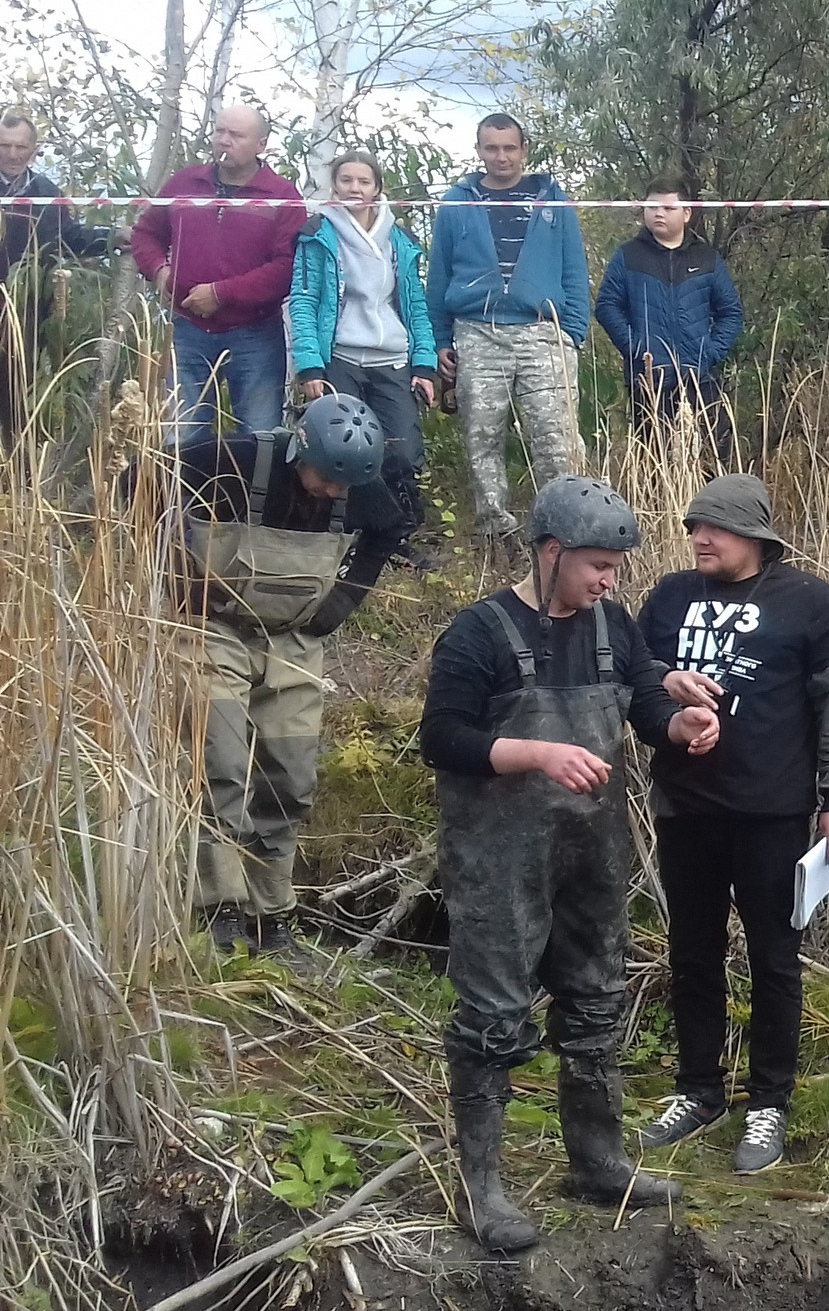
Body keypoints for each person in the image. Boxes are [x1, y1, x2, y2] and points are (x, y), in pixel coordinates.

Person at [419, 476, 718, 1251]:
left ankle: (598, 1160)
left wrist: (679, 723)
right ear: (551, 553)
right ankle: (482, 1188)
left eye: (616, 566)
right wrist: (539, 753)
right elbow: (442, 738)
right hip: (497, 857)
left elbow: (646, 703)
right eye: (598, 565)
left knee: (594, 1000)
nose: (610, 580)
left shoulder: (614, 625)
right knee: (491, 1015)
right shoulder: (477, 633)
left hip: (592, 849)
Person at [634, 474, 829, 1173]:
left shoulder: (805, 601)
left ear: (756, 538)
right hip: (686, 807)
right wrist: (667, 706)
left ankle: (768, 1102)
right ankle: (698, 1090)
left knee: (773, 958)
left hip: (772, 810)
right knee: (692, 953)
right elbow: (632, 679)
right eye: (695, 527)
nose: (700, 538)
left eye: (717, 528)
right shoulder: (670, 597)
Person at [178, 394, 407, 961]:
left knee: (291, 777)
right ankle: (218, 911)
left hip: (294, 639)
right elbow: (137, 482)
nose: (336, 494)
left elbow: (389, 531)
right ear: (299, 451)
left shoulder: (359, 483)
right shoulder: (228, 457)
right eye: (327, 480)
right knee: (220, 763)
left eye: (346, 486)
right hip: (215, 628)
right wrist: (173, 576)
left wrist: (341, 605)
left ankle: (270, 917)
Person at [428, 113, 591, 541]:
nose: (501, 157)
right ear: (479, 150)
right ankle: (496, 534)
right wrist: (440, 340)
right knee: (482, 437)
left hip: (542, 331)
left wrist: (571, 334)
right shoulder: (457, 203)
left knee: (557, 441)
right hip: (477, 330)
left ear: (524, 150)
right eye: (491, 148)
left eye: (509, 148)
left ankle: (562, 532)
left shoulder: (553, 201)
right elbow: (438, 276)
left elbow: (575, 270)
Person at [286, 150, 439, 546]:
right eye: (346, 180)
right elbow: (302, 301)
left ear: (377, 187)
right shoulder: (317, 234)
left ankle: (399, 535)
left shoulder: (400, 240)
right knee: (343, 451)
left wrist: (424, 364)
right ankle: (338, 536)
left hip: (392, 358)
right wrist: (309, 367)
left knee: (402, 452)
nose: (355, 188)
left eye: (364, 181)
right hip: (338, 357)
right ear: (334, 185)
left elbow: (415, 304)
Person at [131, 105, 304, 444]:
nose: (224, 141)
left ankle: (249, 500)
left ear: (261, 144)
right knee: (180, 440)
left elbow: (286, 269)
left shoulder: (282, 197)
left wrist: (222, 293)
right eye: (219, 132)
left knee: (261, 440)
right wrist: (159, 272)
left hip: (255, 335)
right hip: (186, 331)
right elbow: (146, 234)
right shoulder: (184, 183)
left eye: (236, 135)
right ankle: (186, 500)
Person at [596, 177, 743, 458]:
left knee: (714, 461)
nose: (658, 213)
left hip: (701, 379)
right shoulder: (628, 256)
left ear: (687, 213)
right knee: (654, 466)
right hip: (650, 382)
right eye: (652, 206)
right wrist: (636, 349)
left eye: (667, 207)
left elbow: (731, 313)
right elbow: (606, 306)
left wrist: (709, 352)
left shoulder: (707, 258)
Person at [0, 112, 114, 435]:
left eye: (20, 146)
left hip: (28, 313)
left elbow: (71, 239)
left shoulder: (45, 190)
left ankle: (17, 474)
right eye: (4, 145)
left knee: (16, 396)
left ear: (34, 150)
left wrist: (112, 238)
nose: (12, 154)